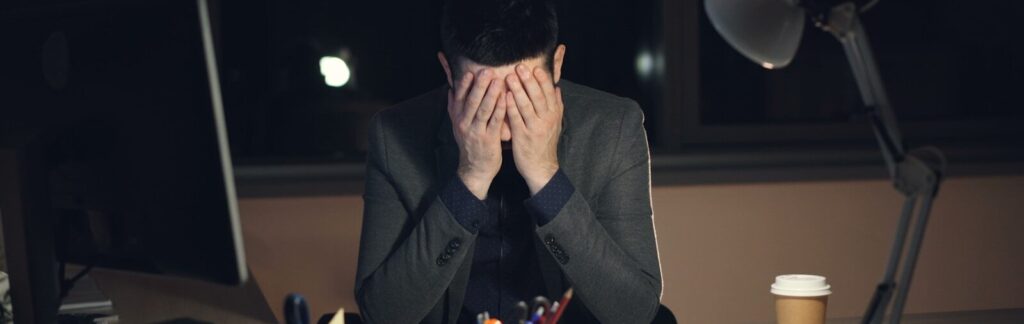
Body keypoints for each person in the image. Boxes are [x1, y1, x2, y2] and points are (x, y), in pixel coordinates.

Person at [354, 0, 662, 322]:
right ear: (448, 72)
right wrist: (470, 178)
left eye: (523, 93)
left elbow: (636, 312)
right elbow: (382, 313)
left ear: (557, 65)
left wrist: (546, 176)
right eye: (481, 95)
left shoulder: (613, 127)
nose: (502, 118)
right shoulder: (394, 135)